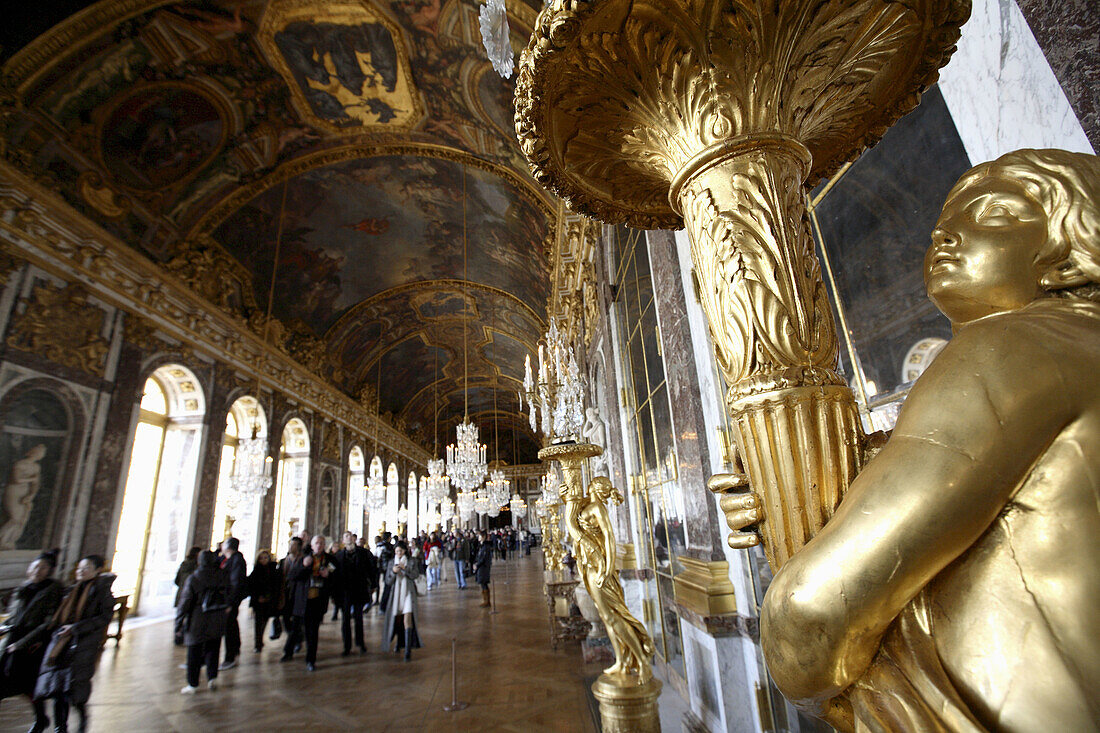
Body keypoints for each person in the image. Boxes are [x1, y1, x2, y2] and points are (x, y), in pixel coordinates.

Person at [752, 150, 1100, 730]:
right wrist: (810, 479)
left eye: (992, 213)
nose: (946, 233)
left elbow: (813, 608)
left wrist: (817, 693)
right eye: (944, 220)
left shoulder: (1010, 344)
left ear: (1068, 258)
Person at [34, 555, 115, 733]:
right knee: (57, 687)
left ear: (97, 570)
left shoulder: (102, 592)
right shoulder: (71, 589)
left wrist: (76, 628)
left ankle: (83, 721)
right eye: (79, 567)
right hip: (61, 643)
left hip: (83, 646)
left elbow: (104, 617)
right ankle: (60, 728)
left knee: (73, 689)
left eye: (86, 568)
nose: (80, 571)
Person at [0, 550, 63, 732]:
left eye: (43, 567)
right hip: (13, 641)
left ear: (50, 571)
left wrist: (21, 644)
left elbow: (47, 624)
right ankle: (41, 719)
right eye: (36, 566)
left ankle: (41, 719)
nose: (38, 570)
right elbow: (14, 617)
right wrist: (4, 627)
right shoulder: (24, 587)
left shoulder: (53, 590)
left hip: (33, 645)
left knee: (29, 685)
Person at [175, 550, 229, 694]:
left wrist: (178, 622)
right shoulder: (221, 575)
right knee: (213, 648)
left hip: (198, 618)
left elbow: (185, 602)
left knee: (194, 652)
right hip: (217, 616)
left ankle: (193, 684)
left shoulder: (194, 578)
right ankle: (212, 678)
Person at [282, 535, 332, 671]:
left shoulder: (328, 559)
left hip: (317, 601)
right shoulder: (304, 557)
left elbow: (335, 577)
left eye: (322, 543)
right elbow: (292, 575)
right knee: (295, 629)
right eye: (317, 543)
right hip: (302, 600)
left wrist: (328, 575)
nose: (319, 545)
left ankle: (311, 660)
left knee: (312, 633)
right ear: (312, 544)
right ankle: (288, 652)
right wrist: (304, 566)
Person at [335, 531, 376, 655]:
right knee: (345, 620)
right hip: (345, 591)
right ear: (343, 541)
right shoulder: (338, 556)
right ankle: (346, 646)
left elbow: (371, 569)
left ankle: (360, 643)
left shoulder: (363, 553)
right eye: (346, 536)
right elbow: (335, 575)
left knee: (359, 618)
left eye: (350, 536)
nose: (349, 538)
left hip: (359, 589)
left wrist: (373, 584)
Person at [382, 541, 421, 661]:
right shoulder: (390, 563)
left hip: (408, 594)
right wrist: (394, 572)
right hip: (396, 595)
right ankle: (399, 643)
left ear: (405, 551)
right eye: (397, 551)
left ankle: (407, 651)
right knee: (398, 620)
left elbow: (415, 575)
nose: (399, 553)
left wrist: (404, 570)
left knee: (407, 619)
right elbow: (388, 581)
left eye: (401, 551)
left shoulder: (412, 561)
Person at [218, 537, 247, 670]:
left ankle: (229, 657)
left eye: (223, 544)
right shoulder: (229, 559)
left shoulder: (237, 560)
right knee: (232, 625)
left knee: (228, 628)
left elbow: (235, 583)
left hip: (230, 600)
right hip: (227, 599)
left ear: (228, 547)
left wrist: (230, 603)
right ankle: (235, 649)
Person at [247, 549, 282, 653]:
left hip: (269, 601)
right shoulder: (255, 571)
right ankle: (258, 643)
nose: (263, 560)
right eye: (261, 558)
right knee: (258, 622)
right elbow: (251, 586)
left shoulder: (273, 570)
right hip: (258, 601)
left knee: (265, 621)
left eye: (265, 558)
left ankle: (260, 639)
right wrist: (257, 597)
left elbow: (276, 586)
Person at [473, 531, 493, 608]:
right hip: (481, 567)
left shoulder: (485, 547)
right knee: (483, 584)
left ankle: (487, 601)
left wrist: (477, 565)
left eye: (479, 536)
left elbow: (483, 558)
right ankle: (485, 600)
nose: (478, 537)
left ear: (483, 537)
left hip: (483, 567)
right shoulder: (481, 546)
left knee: (484, 583)